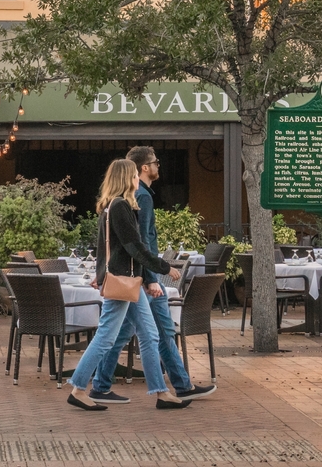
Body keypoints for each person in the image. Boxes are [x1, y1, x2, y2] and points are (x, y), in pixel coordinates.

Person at [88, 146, 216, 404]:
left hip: (138, 277)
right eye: (155, 162)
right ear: (143, 168)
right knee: (160, 332)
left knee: (126, 333)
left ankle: (101, 386)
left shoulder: (127, 200)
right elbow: (139, 242)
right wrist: (151, 279)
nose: (159, 166)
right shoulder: (139, 198)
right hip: (143, 278)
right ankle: (178, 386)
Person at [67, 159, 186, 411]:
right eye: (133, 175)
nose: (136, 180)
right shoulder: (120, 206)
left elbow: (106, 248)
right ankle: (78, 388)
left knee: (149, 335)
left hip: (130, 282)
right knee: (106, 337)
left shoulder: (113, 206)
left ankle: (161, 392)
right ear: (126, 179)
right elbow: (135, 247)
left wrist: (101, 273)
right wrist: (164, 267)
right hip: (124, 282)